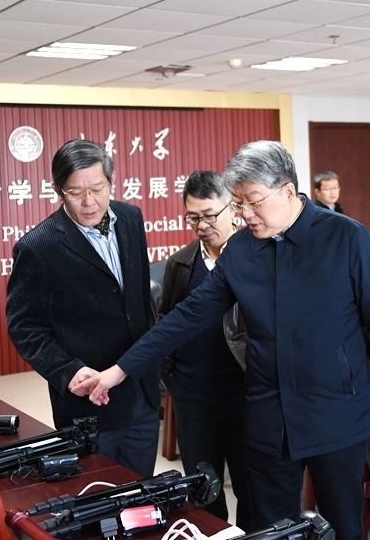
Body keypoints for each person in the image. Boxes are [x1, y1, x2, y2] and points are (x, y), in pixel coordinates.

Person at [73, 141, 370, 540]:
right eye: (238, 203)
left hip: (336, 413)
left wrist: (361, 387)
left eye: (253, 202)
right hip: (269, 415)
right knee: (270, 527)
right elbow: (187, 316)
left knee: (343, 524)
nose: (244, 214)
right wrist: (119, 370)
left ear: (287, 191)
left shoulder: (346, 238)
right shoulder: (244, 249)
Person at [5, 139, 160, 478]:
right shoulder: (38, 247)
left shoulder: (130, 218)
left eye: (98, 189)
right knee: (96, 493)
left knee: (142, 493)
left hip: (141, 391)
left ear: (111, 181)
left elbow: (138, 303)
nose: (89, 202)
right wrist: (67, 370)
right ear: (57, 190)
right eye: (76, 192)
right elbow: (25, 328)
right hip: (89, 402)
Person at [160, 170, 251, 528]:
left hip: (244, 393)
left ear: (232, 208)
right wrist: (173, 377)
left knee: (251, 486)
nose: (202, 225)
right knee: (203, 489)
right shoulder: (181, 263)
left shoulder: (255, 256)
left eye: (210, 215)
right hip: (192, 394)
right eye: (193, 217)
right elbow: (165, 321)